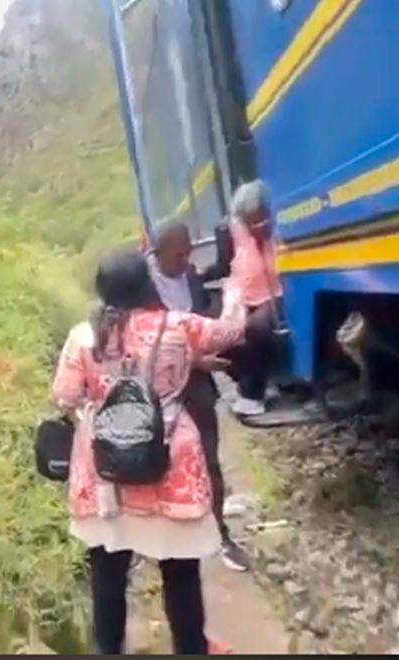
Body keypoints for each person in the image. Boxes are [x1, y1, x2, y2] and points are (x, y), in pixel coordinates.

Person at [51, 248, 246, 654]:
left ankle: (109, 649)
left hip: (106, 475)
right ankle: (191, 647)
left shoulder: (83, 336)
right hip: (169, 468)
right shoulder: (178, 327)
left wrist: (100, 404)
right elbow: (232, 332)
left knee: (107, 574)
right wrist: (235, 292)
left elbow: (65, 395)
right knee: (181, 575)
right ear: (147, 283)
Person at [147, 221, 253, 572]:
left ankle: (219, 533)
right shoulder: (142, 289)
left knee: (209, 460)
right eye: (179, 253)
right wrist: (195, 359)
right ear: (156, 250)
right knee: (164, 465)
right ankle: (172, 540)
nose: (186, 259)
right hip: (159, 393)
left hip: (197, 387)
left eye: (188, 251)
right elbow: (142, 343)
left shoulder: (191, 278)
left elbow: (205, 319)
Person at [218, 180, 285, 417]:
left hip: (279, 294)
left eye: (261, 220)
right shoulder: (236, 231)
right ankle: (263, 379)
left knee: (256, 328)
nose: (256, 228)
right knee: (219, 338)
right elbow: (232, 268)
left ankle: (252, 393)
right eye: (249, 224)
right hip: (245, 297)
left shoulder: (281, 228)